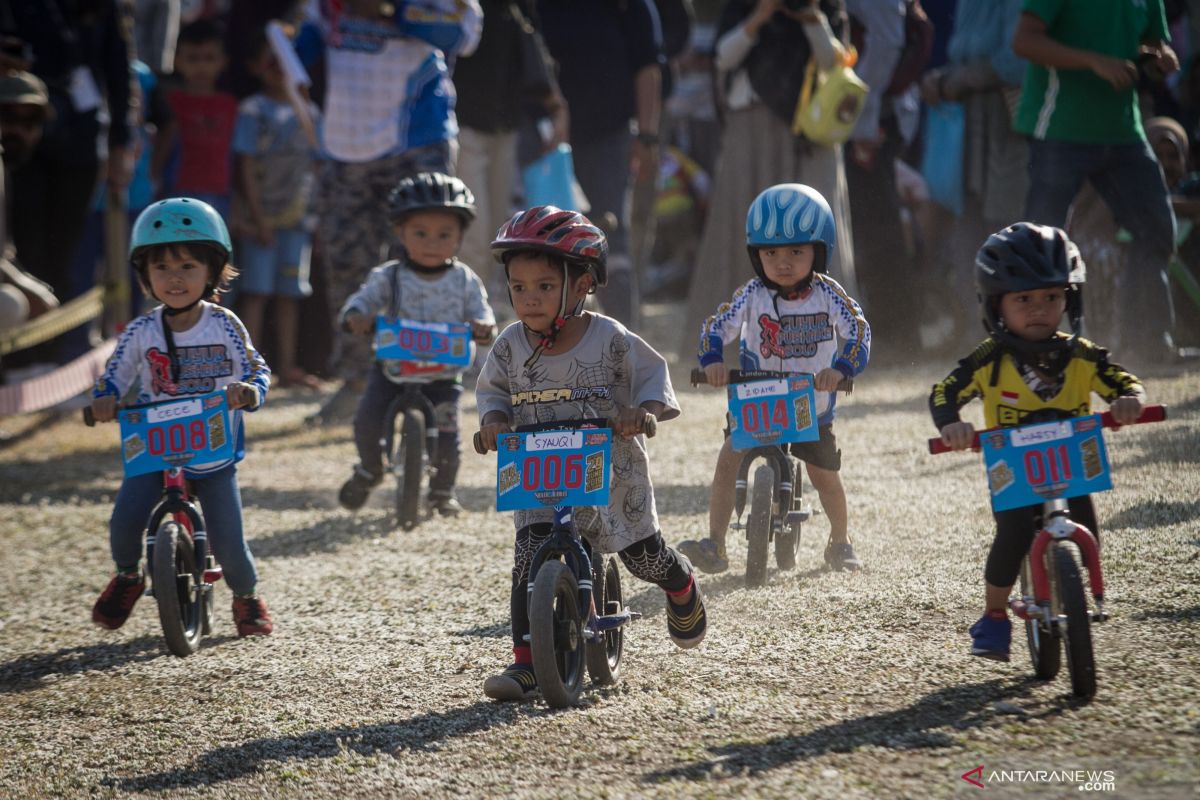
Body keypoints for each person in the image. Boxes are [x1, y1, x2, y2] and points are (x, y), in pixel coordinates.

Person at [474, 206, 707, 701]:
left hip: (611, 469)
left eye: (543, 285)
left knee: (641, 555)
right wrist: (493, 422)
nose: (529, 299)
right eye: (518, 288)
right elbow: (492, 392)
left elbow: (652, 375)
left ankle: (680, 583)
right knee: (527, 561)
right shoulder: (510, 346)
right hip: (540, 469)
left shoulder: (610, 338)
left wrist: (642, 411)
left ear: (581, 286)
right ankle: (526, 665)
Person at [929, 222, 1146, 661]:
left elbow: (1124, 381)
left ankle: (1077, 595)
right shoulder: (989, 359)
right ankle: (993, 616)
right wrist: (952, 424)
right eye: (1022, 299)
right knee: (1011, 535)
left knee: (1087, 526)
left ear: (1070, 298)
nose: (1039, 309)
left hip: (1073, 465)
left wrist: (1129, 400)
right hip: (1014, 469)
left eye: (1051, 296)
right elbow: (944, 391)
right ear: (996, 306)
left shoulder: (1082, 353)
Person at [89, 197, 274, 637]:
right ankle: (129, 576)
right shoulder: (141, 331)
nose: (174, 278)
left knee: (230, 545)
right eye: (162, 268)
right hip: (156, 448)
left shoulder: (224, 324)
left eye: (188, 266)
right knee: (124, 522)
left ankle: (246, 597)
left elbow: (256, 368)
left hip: (211, 449)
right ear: (145, 275)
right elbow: (112, 377)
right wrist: (104, 399)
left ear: (212, 271)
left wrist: (250, 391)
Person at [677, 183, 870, 575]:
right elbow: (715, 327)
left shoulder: (828, 294)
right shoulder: (751, 295)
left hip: (811, 405)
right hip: (758, 398)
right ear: (756, 254)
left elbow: (858, 332)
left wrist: (842, 369)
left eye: (796, 251)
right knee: (729, 457)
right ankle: (715, 542)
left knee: (824, 475)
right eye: (770, 252)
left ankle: (840, 540)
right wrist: (713, 359)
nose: (782, 262)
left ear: (820, 249)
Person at [310, 0, 482, 424]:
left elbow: (464, 34)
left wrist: (390, 12)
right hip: (343, 145)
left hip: (416, 138)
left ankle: (432, 381)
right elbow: (306, 39)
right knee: (348, 267)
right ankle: (356, 382)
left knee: (427, 262)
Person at [680, 0, 859, 359]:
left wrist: (811, 17)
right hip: (751, 129)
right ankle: (729, 342)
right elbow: (724, 58)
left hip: (808, 131)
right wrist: (760, 15)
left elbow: (833, 62)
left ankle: (827, 342)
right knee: (743, 227)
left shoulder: (825, 7)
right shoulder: (745, 6)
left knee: (814, 230)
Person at [1011, 0, 1179, 367]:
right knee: (1038, 245)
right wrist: (1093, 60)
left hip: (1122, 130)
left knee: (1157, 231)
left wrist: (1162, 56)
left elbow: (1152, 44)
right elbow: (1024, 41)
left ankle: (1148, 345)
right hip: (1059, 128)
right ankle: (1030, 351)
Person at [338, 173, 496, 516]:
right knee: (367, 420)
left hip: (443, 375)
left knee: (448, 437)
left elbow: (480, 311)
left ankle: (442, 492)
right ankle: (370, 468)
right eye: (420, 233)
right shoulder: (390, 276)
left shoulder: (464, 280)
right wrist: (357, 315)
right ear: (400, 232)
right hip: (393, 370)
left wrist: (483, 326)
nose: (432, 243)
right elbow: (364, 300)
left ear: (460, 236)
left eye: (444, 234)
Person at [535, 0, 664, 326]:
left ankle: (625, 341)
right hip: (547, 137)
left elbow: (647, 65)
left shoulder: (628, 6)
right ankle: (551, 338)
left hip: (611, 134)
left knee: (608, 237)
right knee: (547, 241)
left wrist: (647, 135)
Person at [232, 31, 322, 389]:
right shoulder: (252, 110)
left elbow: (319, 167)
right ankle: (247, 369)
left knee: (290, 293)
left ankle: (288, 366)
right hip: (262, 220)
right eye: (271, 61)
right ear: (256, 67)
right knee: (256, 292)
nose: (278, 70)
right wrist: (256, 216)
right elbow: (246, 166)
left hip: (299, 219)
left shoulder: (311, 113)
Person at [156, 18, 238, 218]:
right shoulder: (170, 103)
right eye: (193, 58)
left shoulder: (231, 106)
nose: (201, 66)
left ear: (224, 61)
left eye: (209, 58)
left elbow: (237, 156)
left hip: (221, 195)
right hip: (177, 194)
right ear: (177, 60)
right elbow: (162, 148)